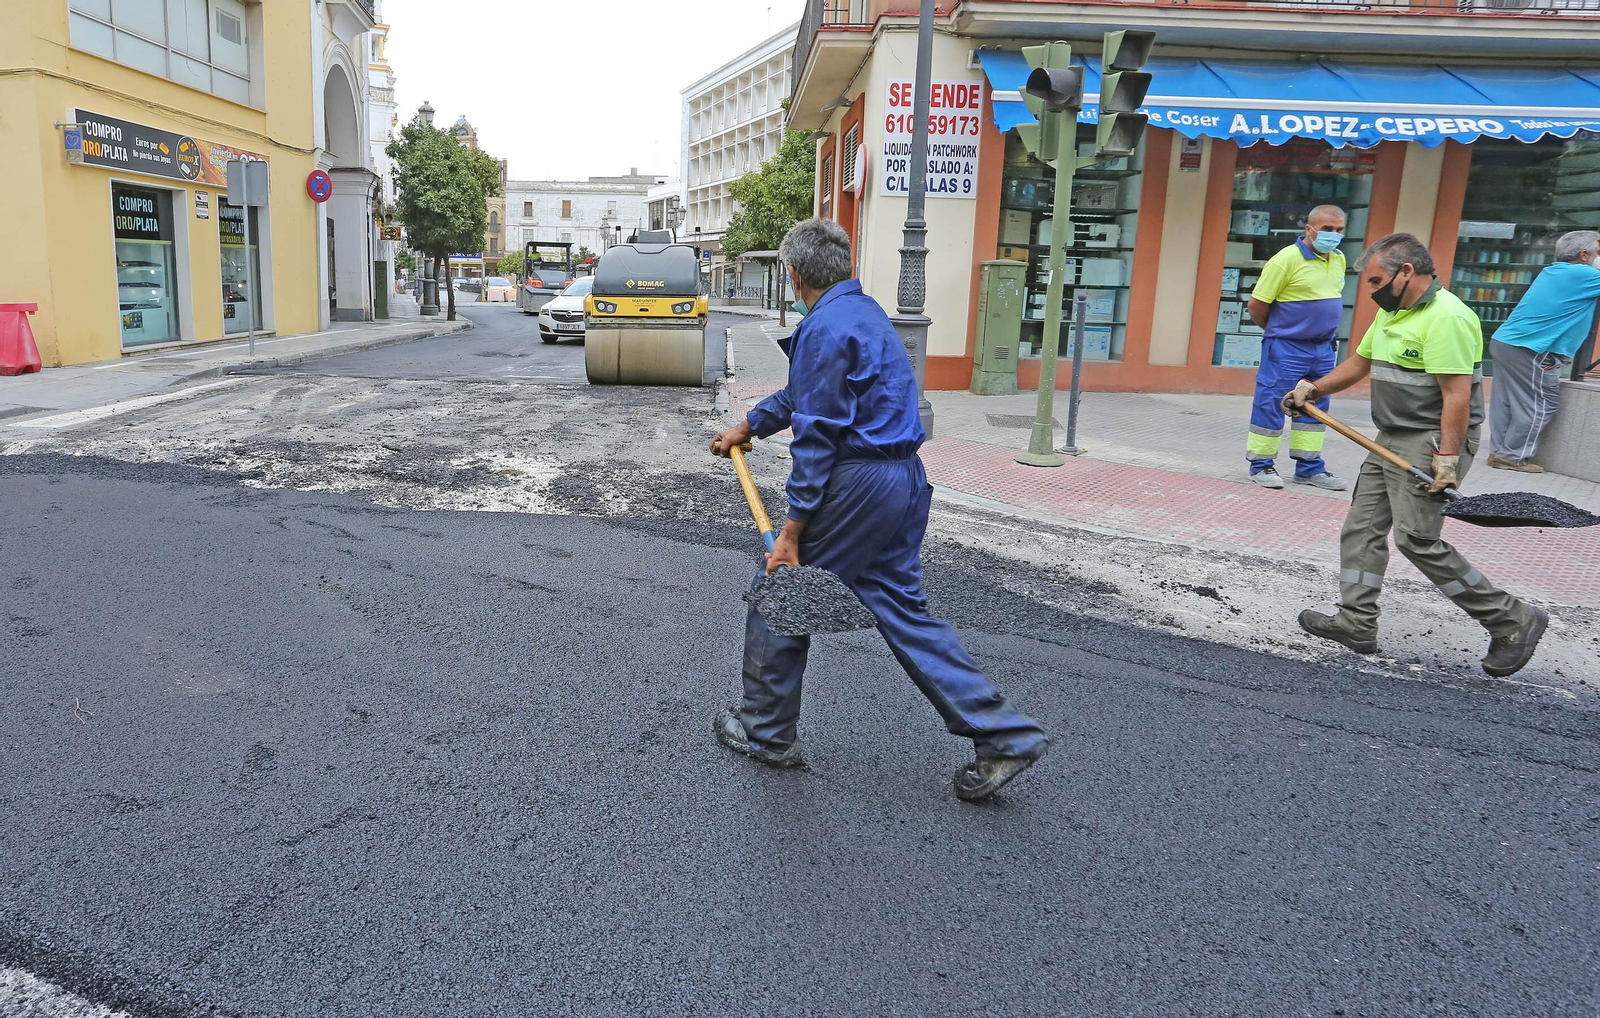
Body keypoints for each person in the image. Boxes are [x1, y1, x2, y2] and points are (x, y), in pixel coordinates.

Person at [708, 218, 1048, 801]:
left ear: (793, 275)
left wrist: (791, 531)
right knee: (901, 608)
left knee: (781, 595)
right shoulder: (864, 315)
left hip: (859, 483)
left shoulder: (824, 328)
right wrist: (751, 423)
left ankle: (766, 731)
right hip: (904, 481)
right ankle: (1003, 734)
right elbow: (804, 396)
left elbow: (816, 437)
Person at [1284, 233, 1548, 678]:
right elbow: (1359, 364)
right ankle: (1356, 622)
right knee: (1362, 527)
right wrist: (1314, 388)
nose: (1371, 291)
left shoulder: (1447, 318)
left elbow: (1456, 396)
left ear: (1406, 272)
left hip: (1429, 439)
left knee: (1416, 539)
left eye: (1375, 280)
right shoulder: (1394, 313)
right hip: (1390, 436)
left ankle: (1512, 619)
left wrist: (1446, 458)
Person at [1244, 205, 1351, 491]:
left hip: (1323, 348)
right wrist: (1279, 332)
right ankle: (1261, 465)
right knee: (1272, 402)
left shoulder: (1339, 258)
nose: (1334, 235)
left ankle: (1309, 468)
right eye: (1328, 229)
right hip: (1286, 347)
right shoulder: (1285, 260)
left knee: (1315, 407)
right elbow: (1256, 306)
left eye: (1339, 230)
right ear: (1309, 229)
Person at [1485, 229, 1600, 472]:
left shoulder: (1552, 271)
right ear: (1583, 255)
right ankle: (1514, 456)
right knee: (1542, 402)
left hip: (1506, 342)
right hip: (1533, 349)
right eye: (1599, 252)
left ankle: (1498, 453)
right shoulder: (1584, 275)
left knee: (1505, 402)